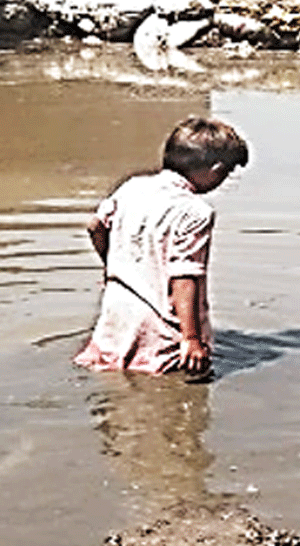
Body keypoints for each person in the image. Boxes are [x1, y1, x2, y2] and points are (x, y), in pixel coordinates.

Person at [73, 115, 249, 377]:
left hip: (118, 311)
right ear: (216, 170)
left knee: (113, 376)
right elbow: (184, 276)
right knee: (169, 389)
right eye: (227, 172)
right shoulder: (194, 212)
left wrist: (112, 268)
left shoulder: (132, 187)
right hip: (160, 327)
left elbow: (95, 227)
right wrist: (190, 339)